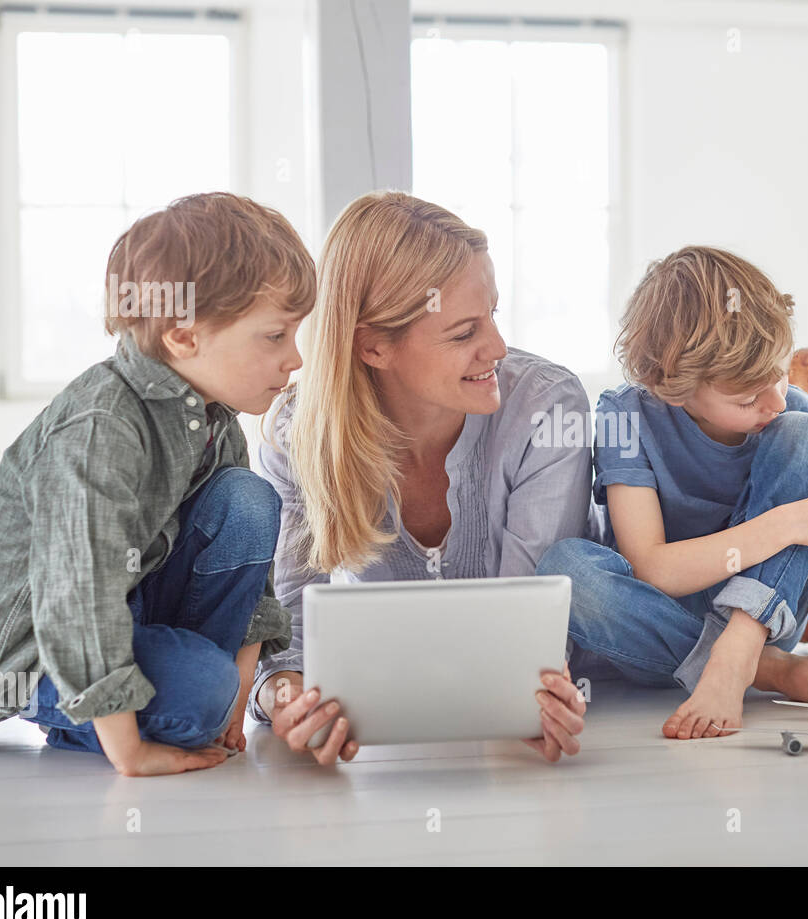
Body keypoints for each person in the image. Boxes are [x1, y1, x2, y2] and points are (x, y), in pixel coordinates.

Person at [0, 192, 314, 775]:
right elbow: (79, 596)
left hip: (135, 608)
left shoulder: (215, 419)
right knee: (200, 690)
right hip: (42, 654)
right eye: (275, 337)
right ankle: (109, 719)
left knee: (249, 500)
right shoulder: (101, 428)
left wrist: (238, 697)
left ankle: (197, 696)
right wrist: (131, 751)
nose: (295, 359)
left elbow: (256, 581)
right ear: (184, 336)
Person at [248, 192, 590, 764]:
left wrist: (534, 693)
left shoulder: (546, 408)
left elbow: (534, 625)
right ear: (374, 346)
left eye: (494, 317)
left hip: (551, 721)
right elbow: (289, 625)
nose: (498, 349)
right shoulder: (299, 431)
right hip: (383, 744)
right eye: (463, 334)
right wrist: (284, 696)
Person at [537, 246, 808, 740]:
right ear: (668, 386)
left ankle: (743, 649)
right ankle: (771, 671)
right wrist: (782, 524)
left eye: (780, 374)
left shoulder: (790, 419)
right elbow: (653, 569)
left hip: (765, 618)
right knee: (564, 570)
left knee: (806, 432)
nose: (776, 401)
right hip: (661, 625)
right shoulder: (626, 416)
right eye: (746, 398)